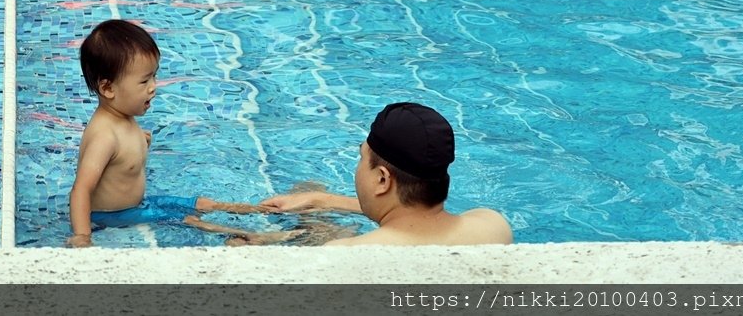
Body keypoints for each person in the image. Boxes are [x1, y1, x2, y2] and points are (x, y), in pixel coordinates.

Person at [67, 19, 294, 247]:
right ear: (108, 88)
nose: (154, 86)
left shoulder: (123, 117)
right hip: (112, 215)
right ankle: (248, 236)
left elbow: (121, 157)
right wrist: (82, 237)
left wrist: (138, 142)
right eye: (144, 80)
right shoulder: (104, 136)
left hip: (137, 205)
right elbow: (81, 190)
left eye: (154, 76)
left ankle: (260, 211)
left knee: (201, 203)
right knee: (186, 219)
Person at [215, 102, 513, 246]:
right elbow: (419, 214)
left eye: (361, 158)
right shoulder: (492, 226)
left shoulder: (342, 254)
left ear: (382, 179)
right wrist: (324, 200)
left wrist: (242, 247)